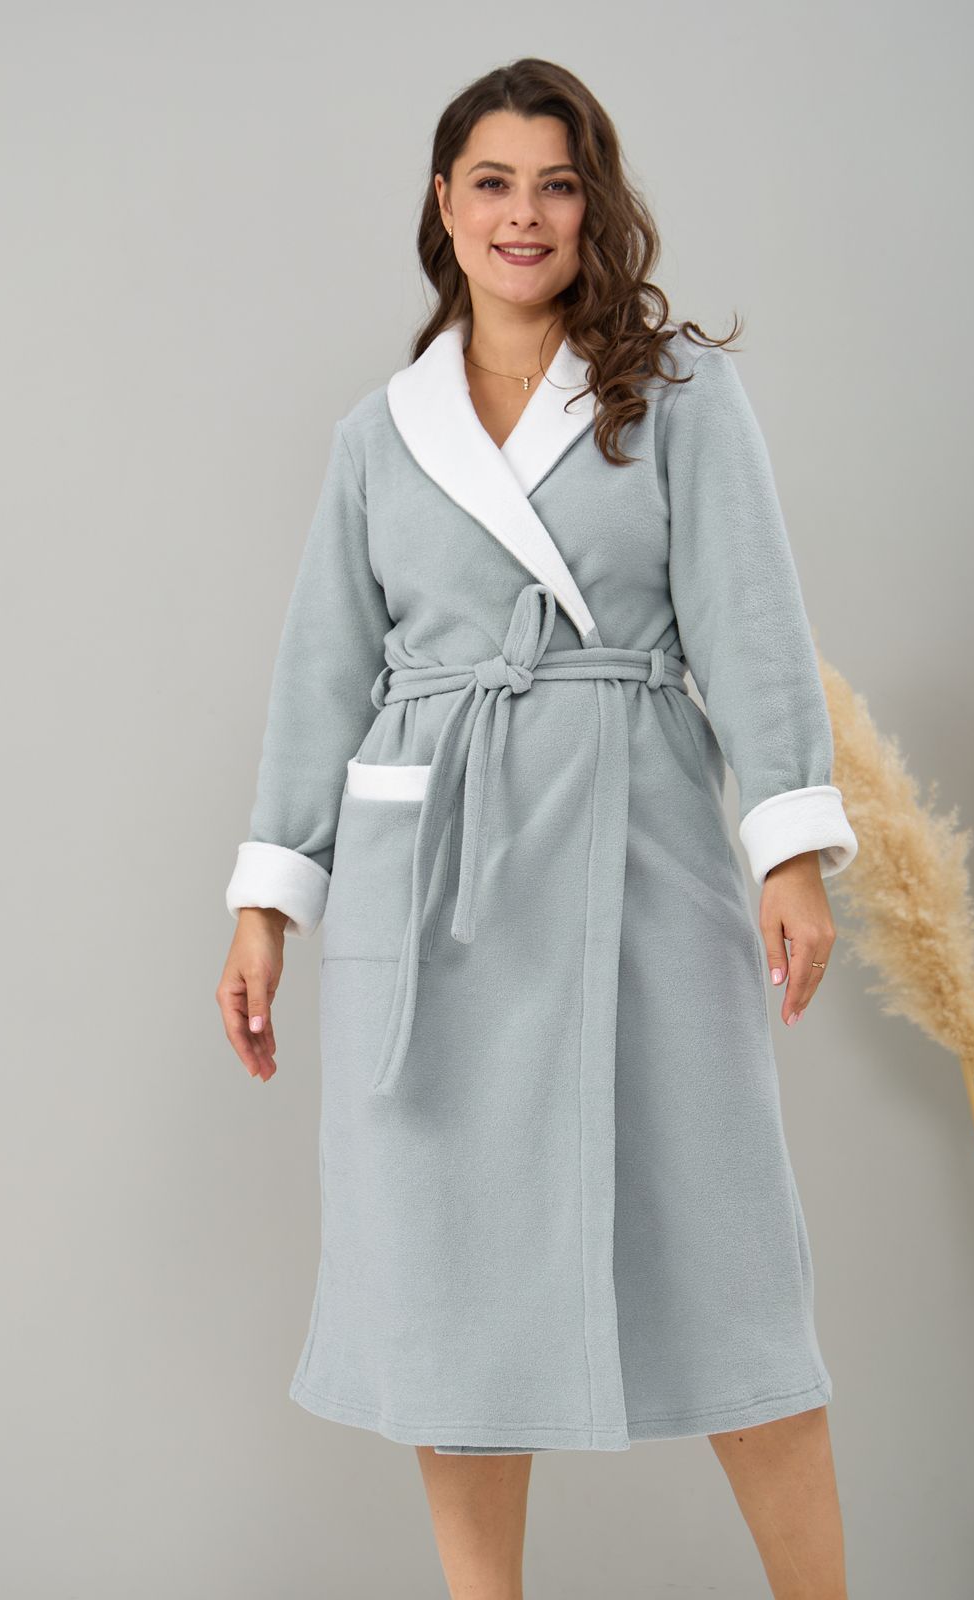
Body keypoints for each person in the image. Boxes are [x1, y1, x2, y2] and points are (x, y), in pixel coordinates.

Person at [216, 55, 856, 1600]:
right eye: (493, 183)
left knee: (730, 1262)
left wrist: (788, 854)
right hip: (431, 879)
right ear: (445, 204)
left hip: (638, 846)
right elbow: (321, 676)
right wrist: (266, 903)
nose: (525, 214)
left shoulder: (678, 398)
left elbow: (751, 627)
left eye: (556, 185)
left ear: (593, 205)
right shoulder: (382, 436)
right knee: (448, 1285)